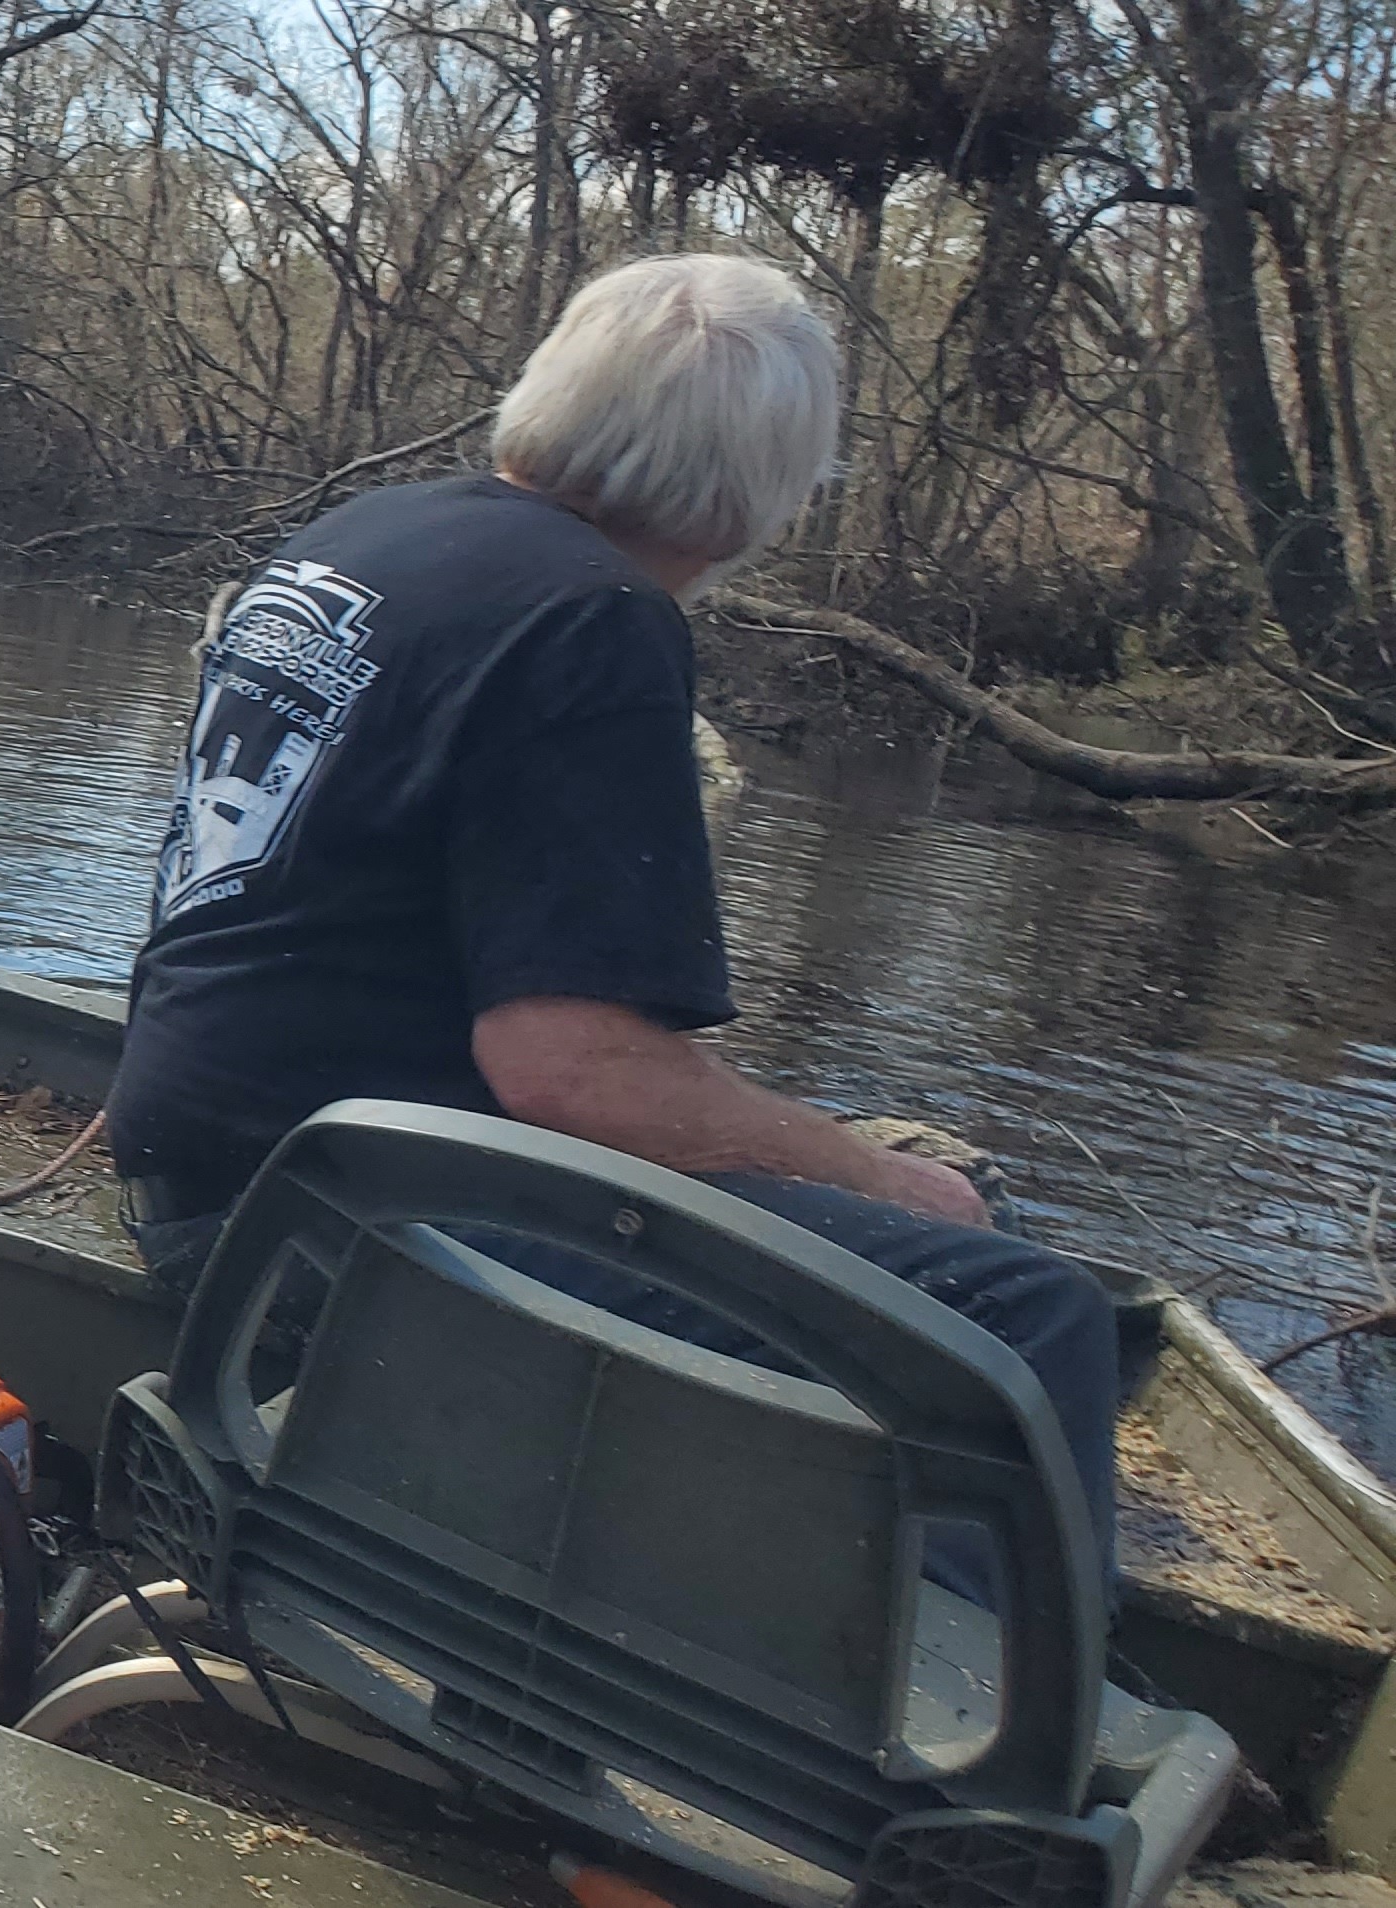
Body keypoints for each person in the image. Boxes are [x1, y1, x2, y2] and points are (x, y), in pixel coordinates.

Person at [104, 252, 1120, 1597]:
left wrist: (807, 1153)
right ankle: (994, 1757)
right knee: (1026, 1310)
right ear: (757, 492)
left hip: (213, 1158)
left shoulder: (370, 535)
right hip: (334, 1230)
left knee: (841, 1185)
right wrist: (885, 1181)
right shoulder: (593, 621)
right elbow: (571, 1074)